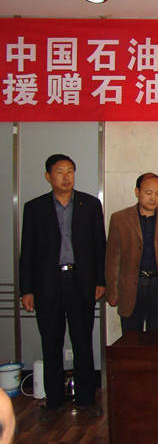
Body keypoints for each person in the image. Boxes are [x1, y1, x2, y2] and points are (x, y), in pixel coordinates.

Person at [19, 154, 106, 422]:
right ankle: (54, 401)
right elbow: (27, 251)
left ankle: (86, 399)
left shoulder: (90, 204)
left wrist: (100, 281)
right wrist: (26, 290)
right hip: (48, 284)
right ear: (48, 176)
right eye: (60, 172)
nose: (66, 177)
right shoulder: (35, 208)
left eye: (70, 171)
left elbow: (99, 246)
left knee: (82, 342)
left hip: (80, 282)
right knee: (51, 343)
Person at [106, 173, 158, 333]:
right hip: (130, 285)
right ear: (137, 192)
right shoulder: (119, 218)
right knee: (130, 337)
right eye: (148, 193)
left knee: (157, 337)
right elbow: (112, 258)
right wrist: (112, 291)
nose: (153, 198)